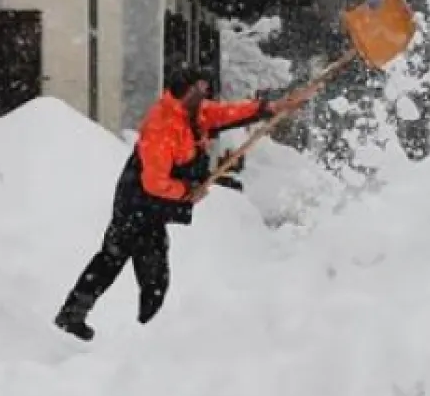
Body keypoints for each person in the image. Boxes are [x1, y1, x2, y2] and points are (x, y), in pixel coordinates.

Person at [54, 66, 309, 341]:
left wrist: (269, 108)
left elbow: (225, 114)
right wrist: (187, 191)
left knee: (144, 272)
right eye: (200, 90)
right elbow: (154, 181)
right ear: (184, 91)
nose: (206, 94)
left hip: (152, 207)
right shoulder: (163, 125)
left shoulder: (193, 112)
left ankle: (108, 322)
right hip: (137, 203)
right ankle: (102, 322)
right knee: (121, 262)